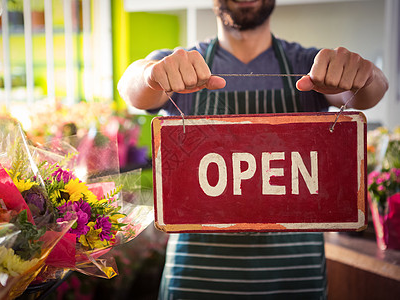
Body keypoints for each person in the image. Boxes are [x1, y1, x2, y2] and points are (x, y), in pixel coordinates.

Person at [118, 0, 388, 299]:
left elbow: (370, 91)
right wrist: (148, 75)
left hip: (295, 279)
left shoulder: (309, 65)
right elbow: (132, 88)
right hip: (197, 278)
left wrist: (366, 75)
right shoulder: (179, 64)